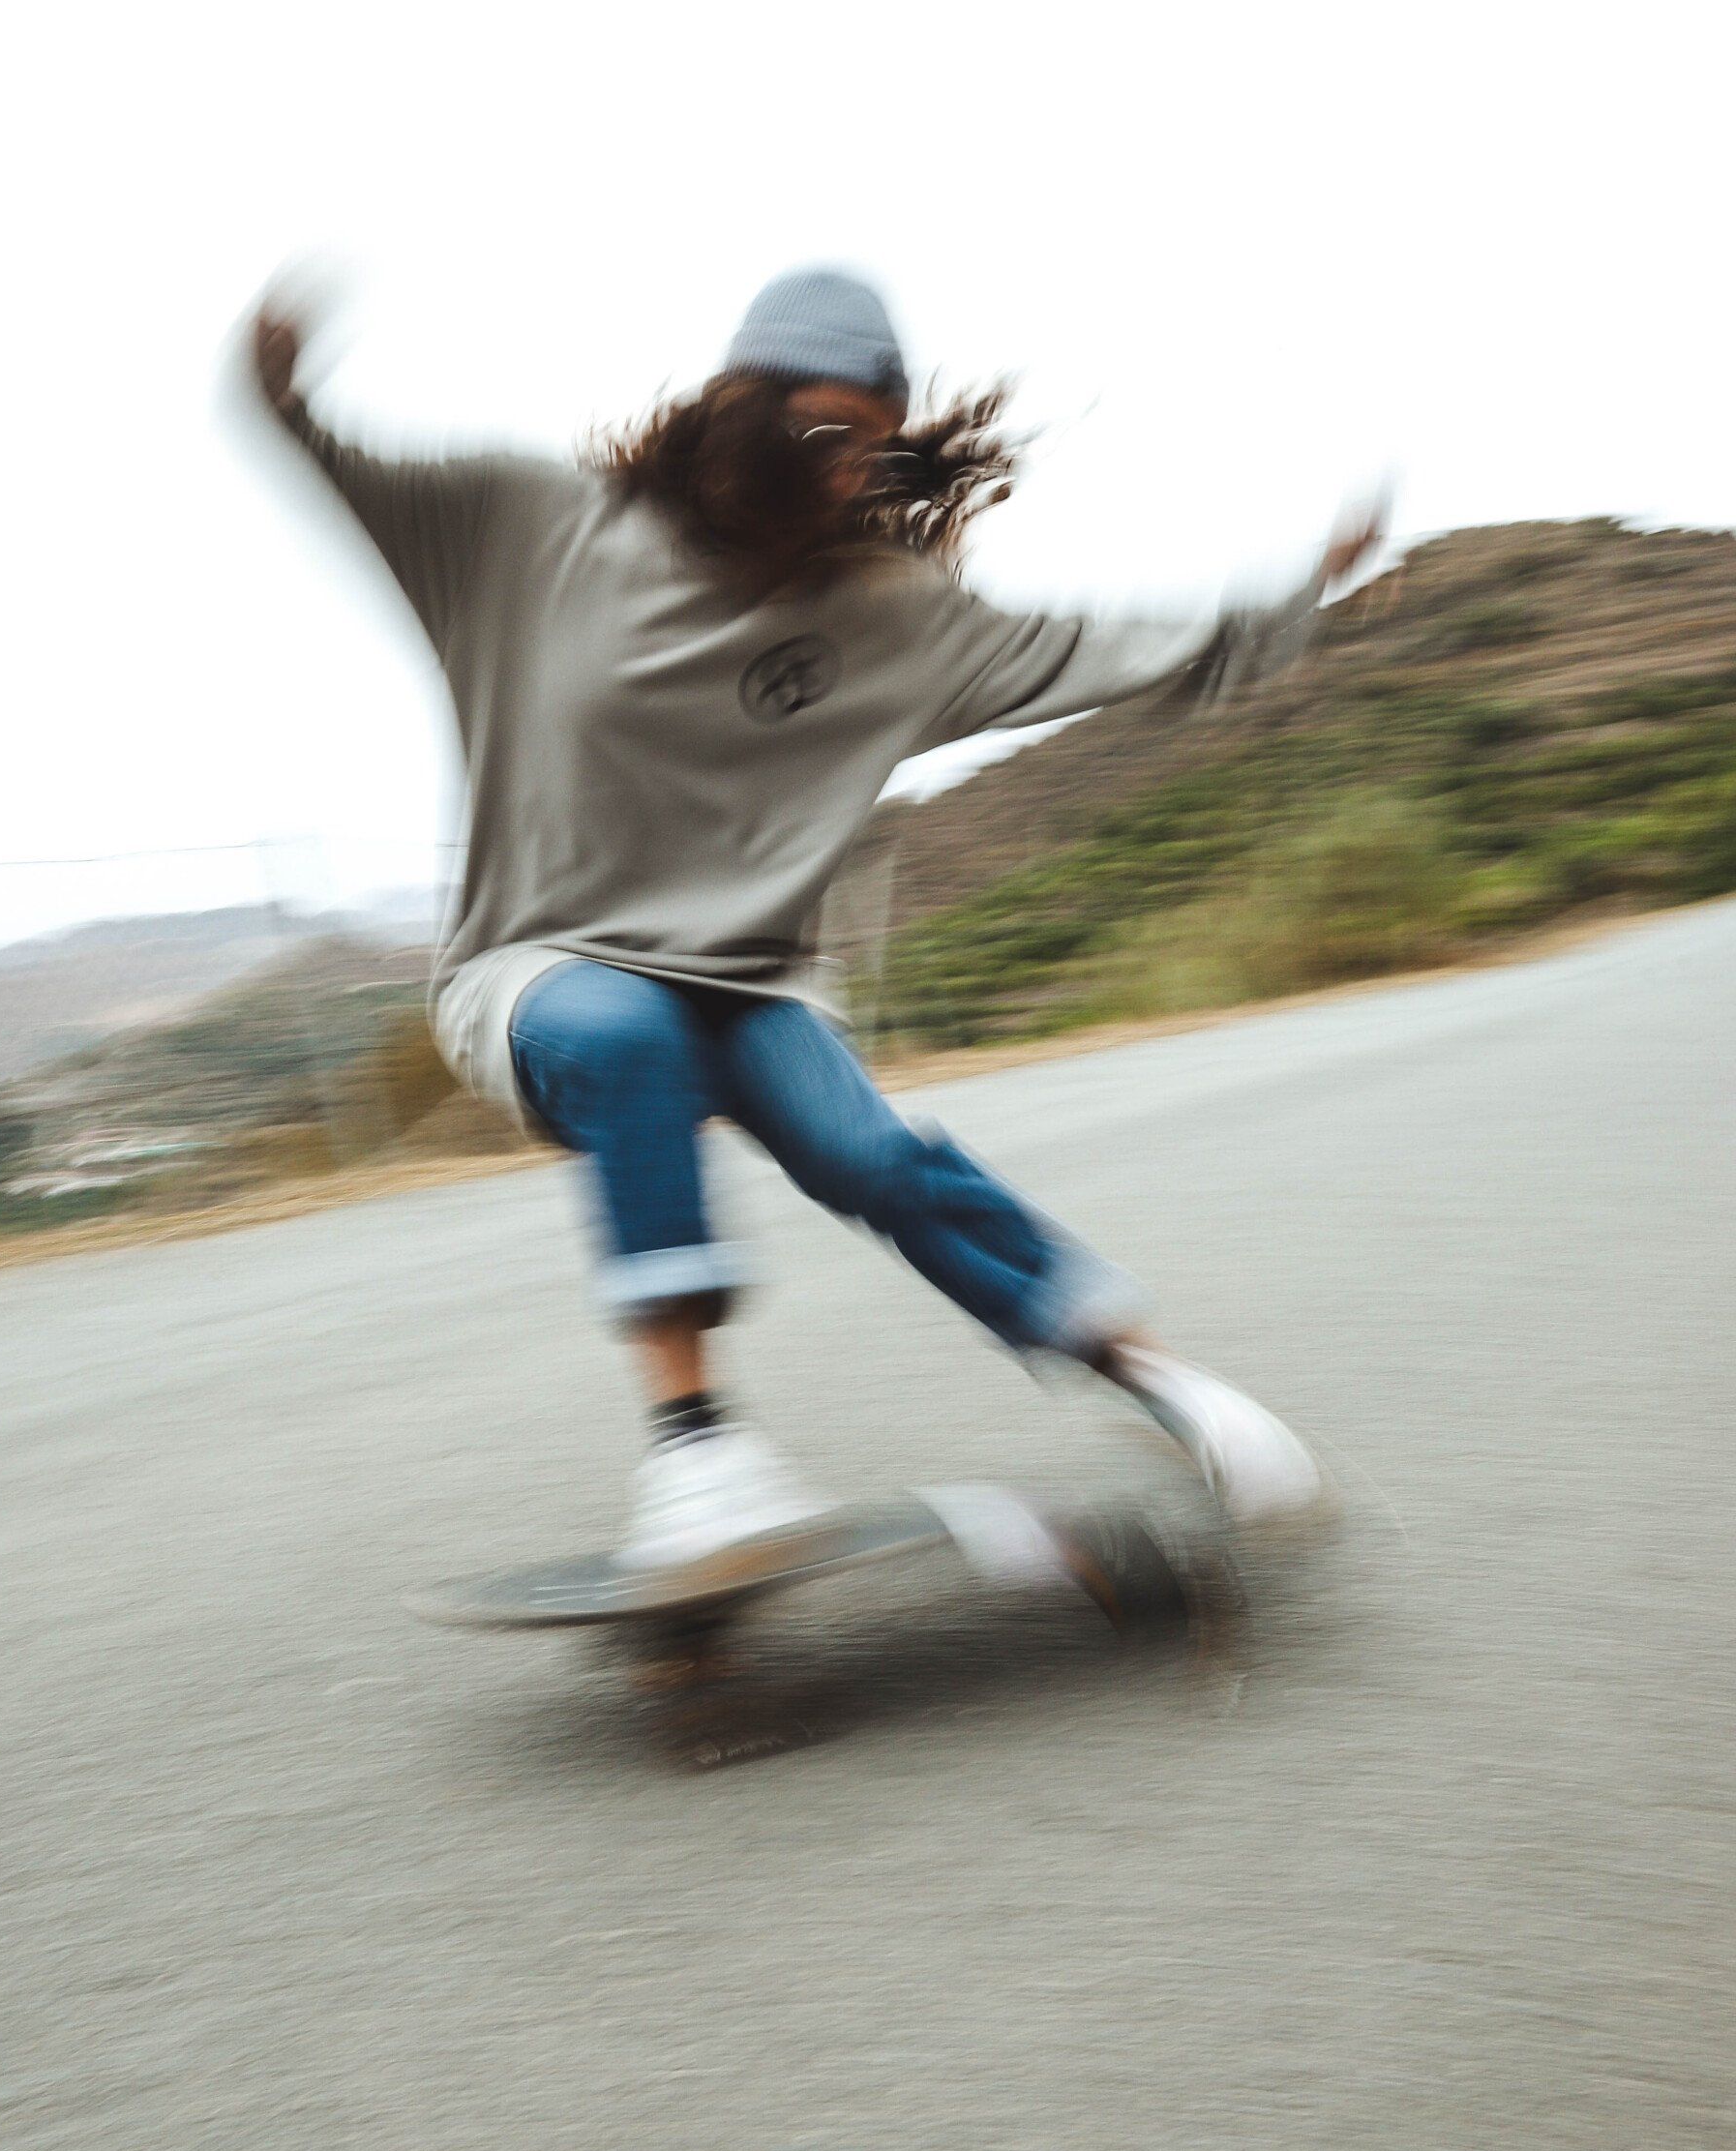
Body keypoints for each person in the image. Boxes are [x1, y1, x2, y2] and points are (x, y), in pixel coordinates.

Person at [244, 267, 1381, 1598]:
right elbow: (341, 467)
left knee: (870, 1155)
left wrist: (1298, 600)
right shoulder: (527, 527)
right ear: (740, 406)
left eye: (875, 449)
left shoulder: (891, 614)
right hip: (538, 966)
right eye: (827, 431)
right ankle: (697, 1455)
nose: (849, 472)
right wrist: (281, 389)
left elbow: (1116, 649)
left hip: (752, 982)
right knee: (626, 1031)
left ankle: (1169, 1389)